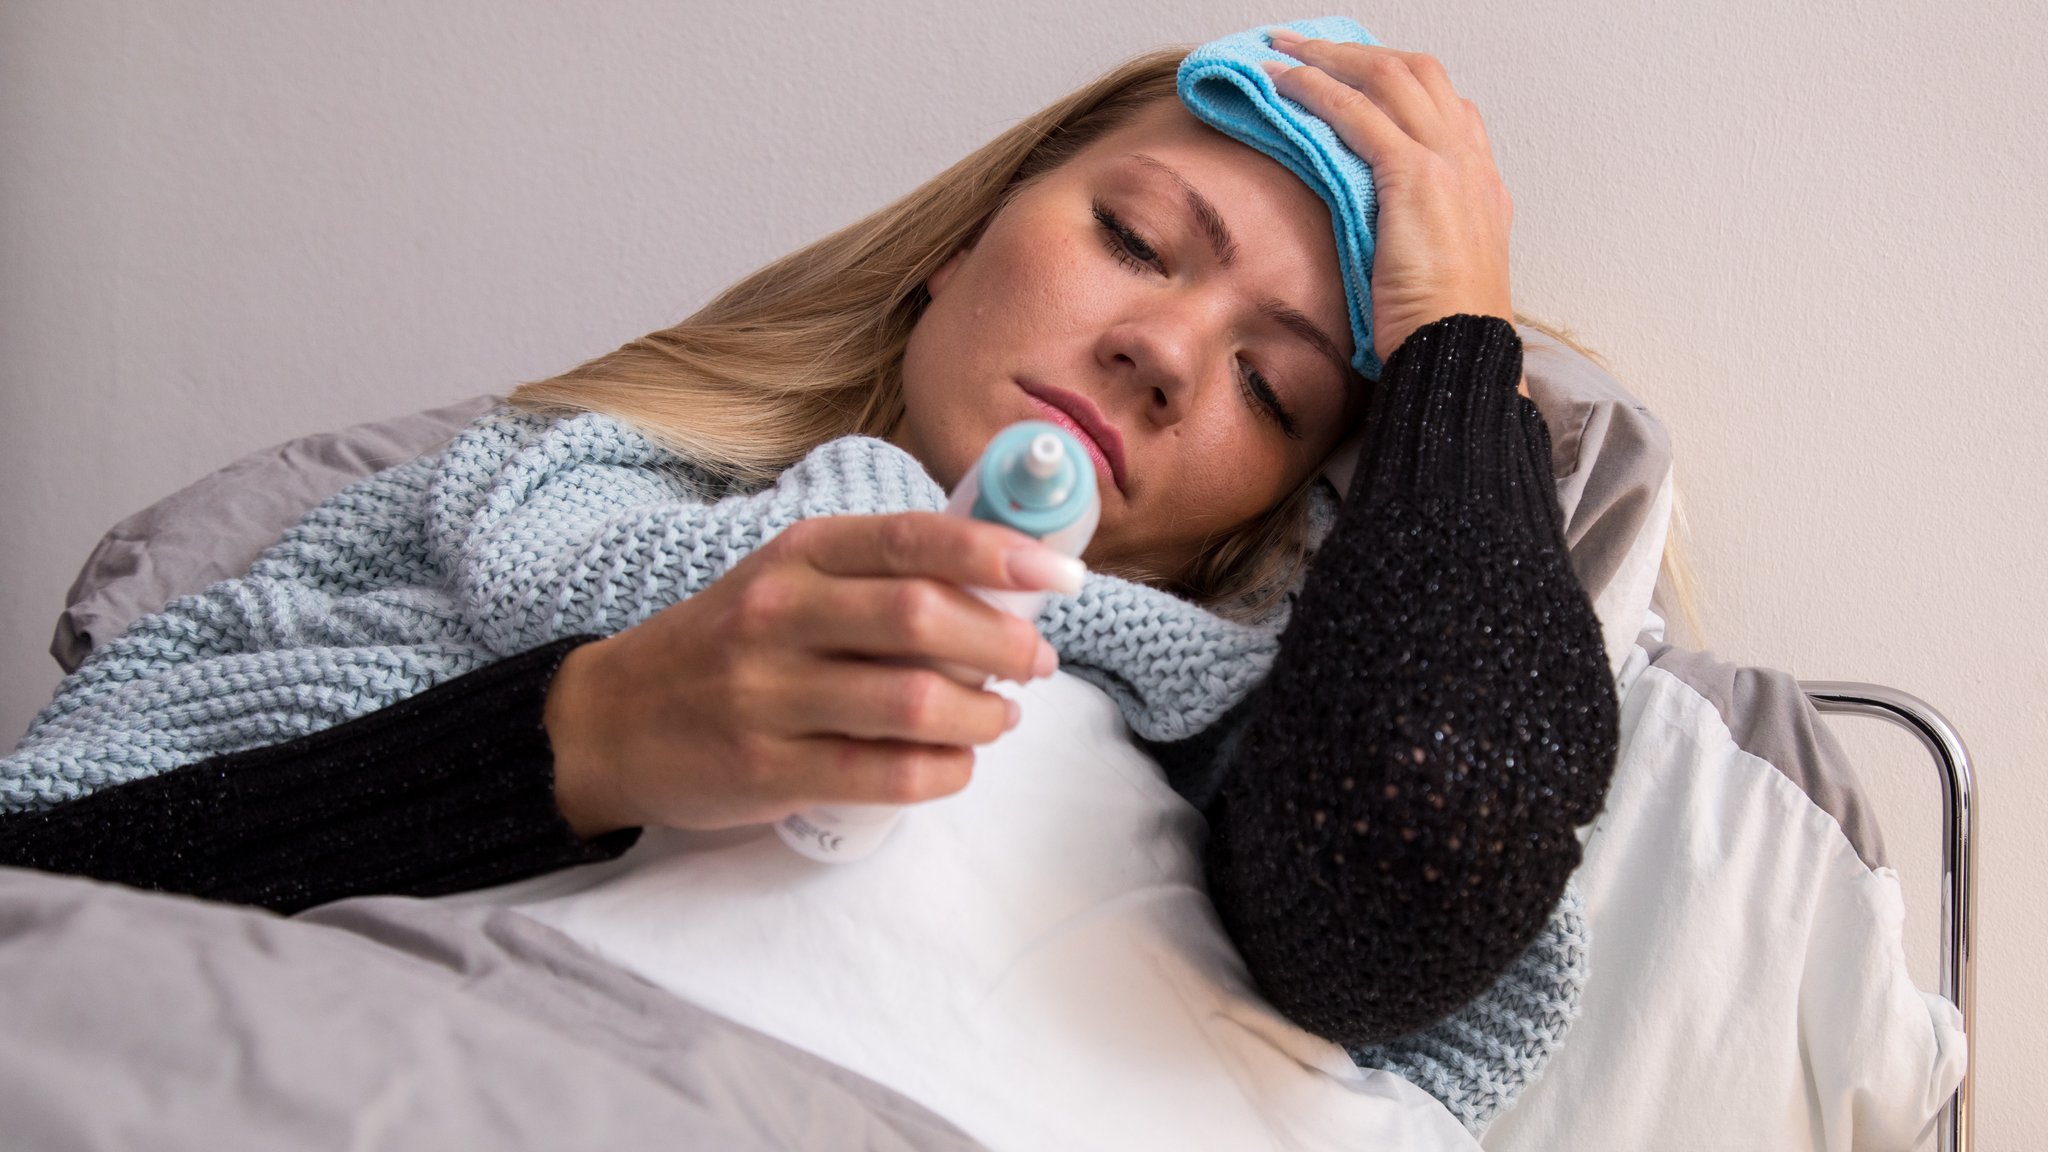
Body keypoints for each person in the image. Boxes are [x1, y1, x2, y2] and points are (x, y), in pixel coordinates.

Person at [0, 30, 1614, 1051]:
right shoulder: (515, 507)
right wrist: (588, 738)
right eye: (1133, 239)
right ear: (957, 248)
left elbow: (1418, 855)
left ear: (1270, 512)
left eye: (1271, 387)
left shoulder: (1245, 759)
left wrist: (1454, 344)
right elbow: (50, 886)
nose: (1168, 355)